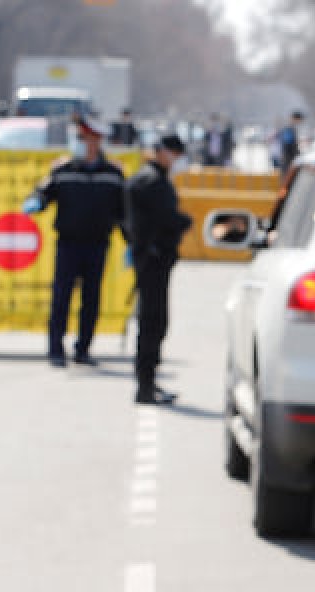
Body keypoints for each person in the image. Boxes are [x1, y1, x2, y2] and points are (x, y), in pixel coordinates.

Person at [23, 114, 125, 368]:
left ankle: (83, 349)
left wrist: (132, 241)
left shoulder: (113, 174)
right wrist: (37, 201)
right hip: (68, 244)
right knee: (61, 299)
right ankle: (56, 350)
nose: (81, 143)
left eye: (86, 138)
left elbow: (123, 211)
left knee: (91, 300)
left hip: (97, 244)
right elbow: (44, 193)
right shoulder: (63, 170)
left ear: (97, 141)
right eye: (79, 138)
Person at [124, 134, 193, 405]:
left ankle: (148, 383)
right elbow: (166, 218)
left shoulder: (148, 179)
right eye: (173, 154)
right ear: (162, 152)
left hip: (150, 259)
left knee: (153, 323)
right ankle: (145, 386)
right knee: (153, 323)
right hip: (154, 259)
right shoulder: (153, 182)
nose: (176, 159)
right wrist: (184, 221)